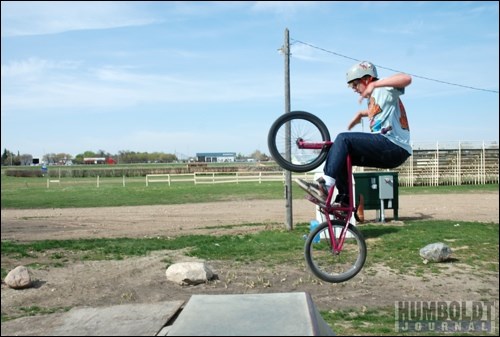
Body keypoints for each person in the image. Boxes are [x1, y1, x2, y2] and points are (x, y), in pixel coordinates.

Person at [296, 61, 412, 205]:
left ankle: (324, 186)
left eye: (355, 84)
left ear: (367, 79)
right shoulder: (375, 96)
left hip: (394, 146)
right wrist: (361, 114)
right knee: (342, 154)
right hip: (387, 149)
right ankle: (344, 200)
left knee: (343, 139)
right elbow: (378, 111)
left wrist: (375, 85)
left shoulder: (383, 87)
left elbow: (407, 78)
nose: (354, 89)